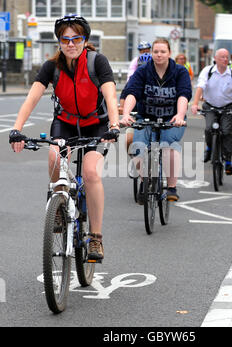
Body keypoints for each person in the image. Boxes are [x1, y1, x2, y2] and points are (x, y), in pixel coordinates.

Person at [9, 14, 120, 262]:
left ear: (85, 40)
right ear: (59, 42)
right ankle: (59, 205)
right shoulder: (52, 67)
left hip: (96, 125)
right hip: (66, 123)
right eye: (65, 39)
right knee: (54, 158)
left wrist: (114, 124)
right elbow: (32, 98)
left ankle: (95, 238)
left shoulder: (97, 62)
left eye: (76, 39)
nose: (71, 44)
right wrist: (16, 129)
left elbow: (111, 95)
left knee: (91, 173)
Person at [120, 38, 192, 202]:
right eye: (156, 52)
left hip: (171, 119)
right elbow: (132, 92)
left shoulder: (180, 71)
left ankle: (172, 187)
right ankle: (145, 181)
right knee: (137, 146)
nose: (159, 55)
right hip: (146, 117)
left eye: (163, 52)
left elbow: (183, 94)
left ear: (169, 53)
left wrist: (180, 115)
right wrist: (126, 114)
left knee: (168, 146)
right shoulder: (143, 71)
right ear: (152, 53)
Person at [191, 48, 232, 175]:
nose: (225, 59)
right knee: (209, 128)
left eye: (227, 57)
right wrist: (194, 104)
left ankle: (228, 162)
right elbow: (200, 87)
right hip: (210, 106)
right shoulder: (207, 71)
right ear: (215, 59)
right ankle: (209, 149)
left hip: (227, 107)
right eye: (222, 57)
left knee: (227, 132)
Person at [119, 53, 152, 153]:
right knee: (129, 140)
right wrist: (122, 108)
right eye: (141, 66)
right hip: (135, 115)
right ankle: (135, 161)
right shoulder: (134, 79)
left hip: (154, 115)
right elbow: (124, 95)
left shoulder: (158, 79)